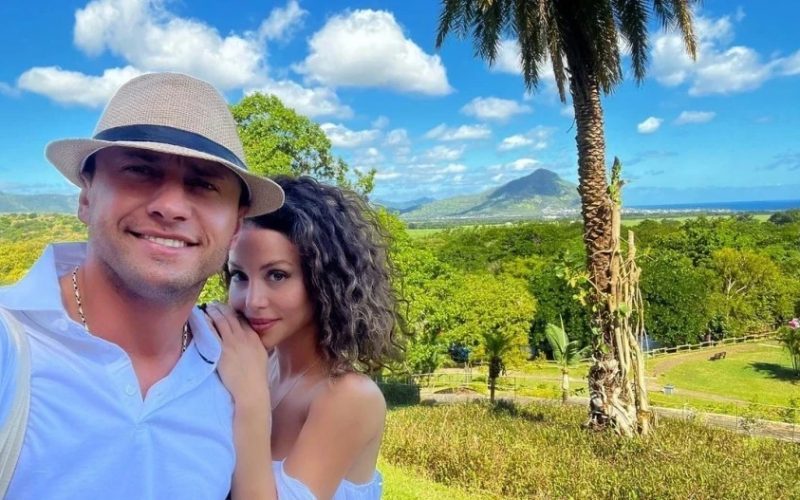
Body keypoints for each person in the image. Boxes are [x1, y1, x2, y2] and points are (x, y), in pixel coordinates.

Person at [0, 72, 284, 498]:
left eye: (204, 184)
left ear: (236, 227)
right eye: (139, 170)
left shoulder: (231, 375)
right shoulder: (12, 345)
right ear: (86, 197)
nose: (170, 207)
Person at [204, 176, 398, 499]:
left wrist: (251, 397)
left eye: (277, 275)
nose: (253, 301)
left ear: (324, 282)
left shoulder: (350, 397)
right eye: (239, 275)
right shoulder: (254, 363)